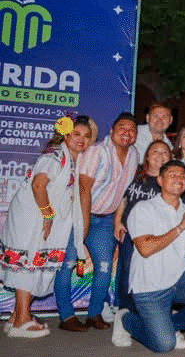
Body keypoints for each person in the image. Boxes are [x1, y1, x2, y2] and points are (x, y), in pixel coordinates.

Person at [0, 115, 96, 337]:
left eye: (86, 136)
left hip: (41, 218)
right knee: (28, 264)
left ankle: (17, 316)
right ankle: (21, 322)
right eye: (76, 134)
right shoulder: (54, 156)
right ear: (66, 135)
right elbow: (38, 184)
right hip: (32, 218)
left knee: (36, 264)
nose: (81, 139)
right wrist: (47, 214)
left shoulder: (71, 160)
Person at [111, 160, 185, 352]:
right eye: (172, 175)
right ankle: (126, 319)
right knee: (164, 345)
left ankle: (170, 325)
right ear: (159, 180)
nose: (179, 179)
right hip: (150, 286)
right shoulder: (143, 208)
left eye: (183, 176)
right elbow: (145, 249)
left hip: (179, 280)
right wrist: (181, 227)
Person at [54, 112, 139, 331]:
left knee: (104, 268)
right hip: (79, 216)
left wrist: (117, 219)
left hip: (106, 219)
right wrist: (84, 224)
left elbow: (124, 193)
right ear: (112, 131)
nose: (127, 133)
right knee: (68, 264)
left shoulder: (134, 155)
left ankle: (94, 314)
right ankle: (66, 316)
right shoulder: (97, 151)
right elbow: (84, 188)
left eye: (132, 130)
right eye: (122, 128)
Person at [113, 140, 173, 312]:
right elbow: (123, 199)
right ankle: (124, 309)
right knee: (126, 270)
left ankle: (149, 311)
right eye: (155, 151)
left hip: (154, 236)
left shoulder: (170, 181)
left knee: (151, 274)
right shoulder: (135, 174)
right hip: (129, 232)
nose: (160, 155)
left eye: (164, 152)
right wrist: (117, 221)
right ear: (147, 156)